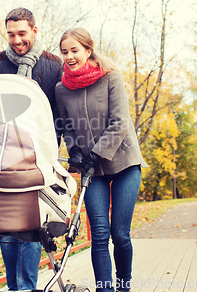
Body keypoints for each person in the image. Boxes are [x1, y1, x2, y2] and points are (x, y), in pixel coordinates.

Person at [55, 27, 148, 292]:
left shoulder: (111, 78)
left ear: (88, 49)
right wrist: (74, 152)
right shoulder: (62, 88)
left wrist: (96, 153)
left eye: (75, 50)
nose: (70, 56)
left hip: (124, 164)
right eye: (65, 52)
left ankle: (124, 285)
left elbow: (120, 123)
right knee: (99, 234)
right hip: (90, 170)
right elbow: (67, 127)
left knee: (120, 234)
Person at [0, 7, 63, 291]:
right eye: (11, 34)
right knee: (7, 225)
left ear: (34, 31)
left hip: (41, 155)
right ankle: (14, 287)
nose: (16, 40)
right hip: (3, 155)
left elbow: (61, 112)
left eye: (22, 34)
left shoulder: (54, 65)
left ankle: (27, 287)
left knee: (33, 223)